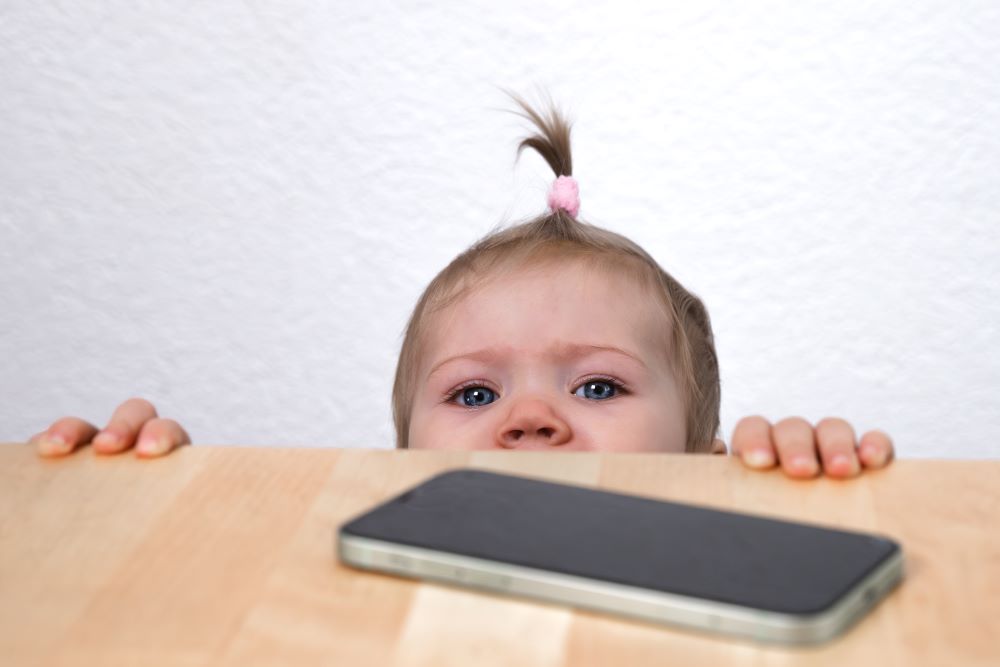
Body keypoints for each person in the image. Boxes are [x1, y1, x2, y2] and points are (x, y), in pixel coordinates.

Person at [29, 95, 894, 479]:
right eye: (473, 390)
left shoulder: (731, 544)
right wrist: (143, 507)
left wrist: (794, 498)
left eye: (597, 384)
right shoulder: (349, 587)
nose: (529, 417)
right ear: (393, 465)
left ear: (702, 461)